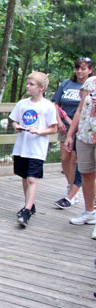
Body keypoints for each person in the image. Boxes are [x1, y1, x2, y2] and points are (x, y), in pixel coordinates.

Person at [9, 72, 58, 226]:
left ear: (41, 88)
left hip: (37, 148)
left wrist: (39, 132)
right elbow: (14, 121)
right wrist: (17, 126)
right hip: (22, 147)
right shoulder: (22, 104)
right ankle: (29, 205)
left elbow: (54, 128)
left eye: (31, 84)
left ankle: (26, 211)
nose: (27, 86)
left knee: (32, 178)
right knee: (24, 177)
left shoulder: (48, 106)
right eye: (28, 83)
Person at [52, 57, 94, 209]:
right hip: (66, 126)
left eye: (83, 68)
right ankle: (71, 186)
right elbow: (56, 103)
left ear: (90, 70)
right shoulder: (66, 83)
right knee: (65, 157)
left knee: (76, 160)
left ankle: (73, 194)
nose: (80, 71)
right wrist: (59, 121)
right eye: (77, 68)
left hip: (84, 129)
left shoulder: (91, 85)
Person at [64, 76, 96, 237]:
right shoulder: (90, 83)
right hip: (84, 135)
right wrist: (70, 134)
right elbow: (79, 110)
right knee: (86, 173)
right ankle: (89, 212)